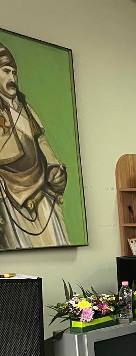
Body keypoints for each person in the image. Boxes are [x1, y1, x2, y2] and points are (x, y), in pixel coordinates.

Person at [0, 44, 70, 250]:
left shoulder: (25, 107)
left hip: (41, 192)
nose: (12, 77)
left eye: (14, 72)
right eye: (6, 71)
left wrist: (54, 169)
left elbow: (41, 142)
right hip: (9, 198)